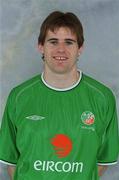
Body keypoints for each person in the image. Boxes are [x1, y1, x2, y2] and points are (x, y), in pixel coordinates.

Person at [0, 11, 119, 180]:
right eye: (53, 41)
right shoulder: (19, 96)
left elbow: (103, 160)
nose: (60, 49)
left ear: (80, 48)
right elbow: (11, 161)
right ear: (41, 46)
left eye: (69, 42)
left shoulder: (102, 98)